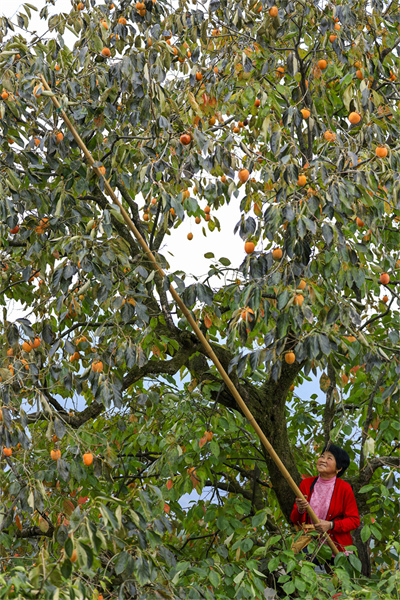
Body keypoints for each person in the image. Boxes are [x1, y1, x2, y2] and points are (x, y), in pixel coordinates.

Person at [291, 443, 360, 557]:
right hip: (309, 542)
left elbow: (354, 520)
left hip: (337, 546)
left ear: (339, 468)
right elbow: (295, 520)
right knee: (294, 573)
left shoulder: (344, 488)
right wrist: (300, 509)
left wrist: (330, 525)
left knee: (340, 574)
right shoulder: (306, 484)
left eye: (329, 458)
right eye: (322, 456)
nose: (323, 460)